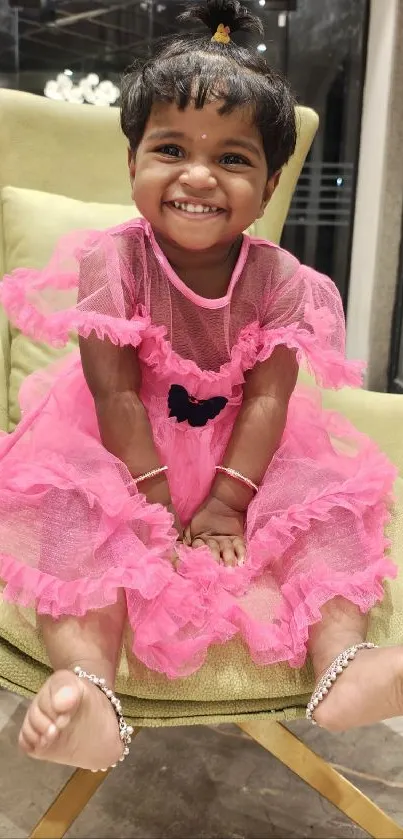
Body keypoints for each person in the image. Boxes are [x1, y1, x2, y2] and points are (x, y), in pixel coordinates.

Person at [0, 0, 401, 773]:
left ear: (272, 180)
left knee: (327, 511)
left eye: (233, 158)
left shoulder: (282, 279)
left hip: (244, 458)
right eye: (171, 149)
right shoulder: (114, 262)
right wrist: (149, 495)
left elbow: (269, 399)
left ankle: (344, 665)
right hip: (120, 450)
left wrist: (227, 500)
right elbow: (113, 392)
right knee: (71, 521)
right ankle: (85, 687)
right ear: (133, 163)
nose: (196, 176)